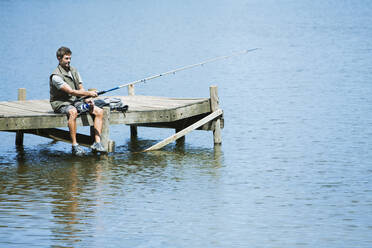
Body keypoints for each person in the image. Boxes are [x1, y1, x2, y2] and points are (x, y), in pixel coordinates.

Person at [50, 46, 106, 155]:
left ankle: (97, 143)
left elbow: (80, 88)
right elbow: (71, 91)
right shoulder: (55, 76)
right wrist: (89, 93)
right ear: (59, 58)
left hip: (75, 101)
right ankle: (75, 145)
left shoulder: (74, 70)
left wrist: (88, 99)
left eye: (70, 58)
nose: (69, 61)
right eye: (66, 58)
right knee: (73, 112)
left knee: (99, 111)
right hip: (61, 103)